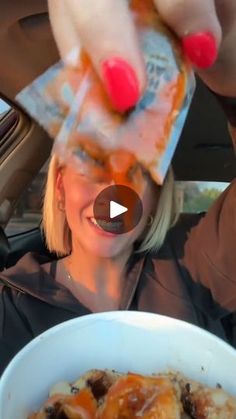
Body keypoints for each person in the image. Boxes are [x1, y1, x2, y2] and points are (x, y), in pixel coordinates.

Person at [0, 0, 236, 375]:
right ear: (60, 188)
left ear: (155, 198)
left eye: (136, 171)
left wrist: (232, 89)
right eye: (94, 164)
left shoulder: (193, 262)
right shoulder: (11, 304)